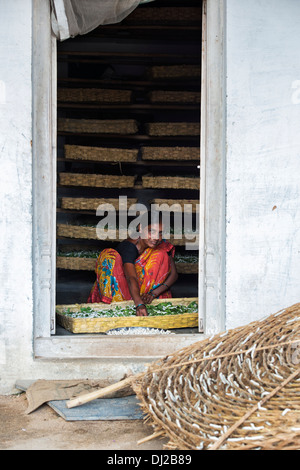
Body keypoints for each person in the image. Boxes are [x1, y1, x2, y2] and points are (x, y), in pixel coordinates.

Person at [87, 212, 178, 316]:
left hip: (146, 294)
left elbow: (174, 274)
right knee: (109, 255)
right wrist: (139, 304)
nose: (156, 237)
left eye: (160, 233)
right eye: (151, 231)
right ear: (140, 228)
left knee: (161, 253)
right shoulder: (129, 247)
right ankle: (128, 303)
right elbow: (131, 278)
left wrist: (153, 294)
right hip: (124, 289)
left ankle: (148, 300)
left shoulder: (161, 244)